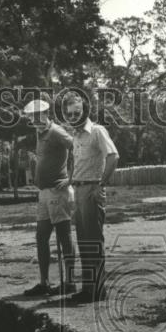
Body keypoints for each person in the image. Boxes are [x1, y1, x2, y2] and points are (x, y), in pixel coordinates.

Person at [63, 92, 119, 303]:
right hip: (78, 191)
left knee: (94, 241)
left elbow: (113, 156)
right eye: (69, 114)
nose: (73, 117)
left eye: (76, 112)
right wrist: (70, 184)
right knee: (83, 240)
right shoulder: (76, 136)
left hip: (92, 190)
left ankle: (98, 290)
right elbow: (76, 164)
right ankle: (88, 289)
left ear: (85, 111)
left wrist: (101, 183)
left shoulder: (97, 131)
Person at [21, 98, 76, 297]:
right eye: (31, 117)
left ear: (45, 114)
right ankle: (44, 283)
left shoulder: (56, 131)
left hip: (57, 191)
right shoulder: (40, 132)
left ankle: (69, 282)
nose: (34, 120)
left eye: (37, 116)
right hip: (44, 193)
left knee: (64, 236)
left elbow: (76, 148)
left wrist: (71, 178)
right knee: (41, 236)